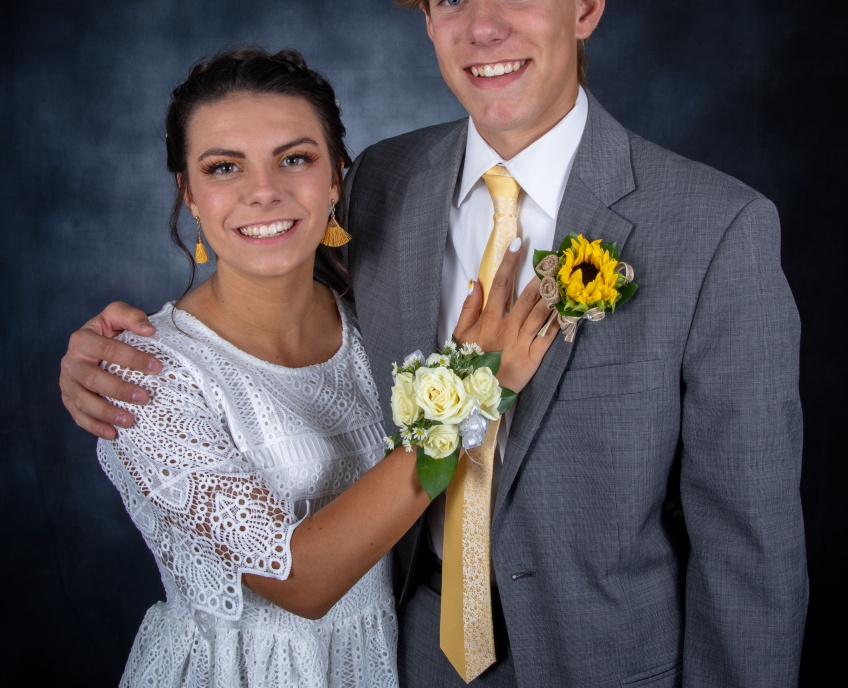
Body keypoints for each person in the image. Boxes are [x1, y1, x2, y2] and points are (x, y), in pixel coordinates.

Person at [60, 0, 807, 688]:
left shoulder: (716, 229)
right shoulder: (385, 183)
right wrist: (97, 358)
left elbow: (750, 548)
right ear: (427, 22)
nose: (484, 28)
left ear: (586, 5)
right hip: (407, 656)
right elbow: (264, 299)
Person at [85, 45, 556, 687]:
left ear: (336, 177)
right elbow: (300, 581)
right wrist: (474, 390)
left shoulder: (375, 321)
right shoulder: (144, 376)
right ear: (188, 194)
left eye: (294, 159)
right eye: (224, 167)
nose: (263, 191)